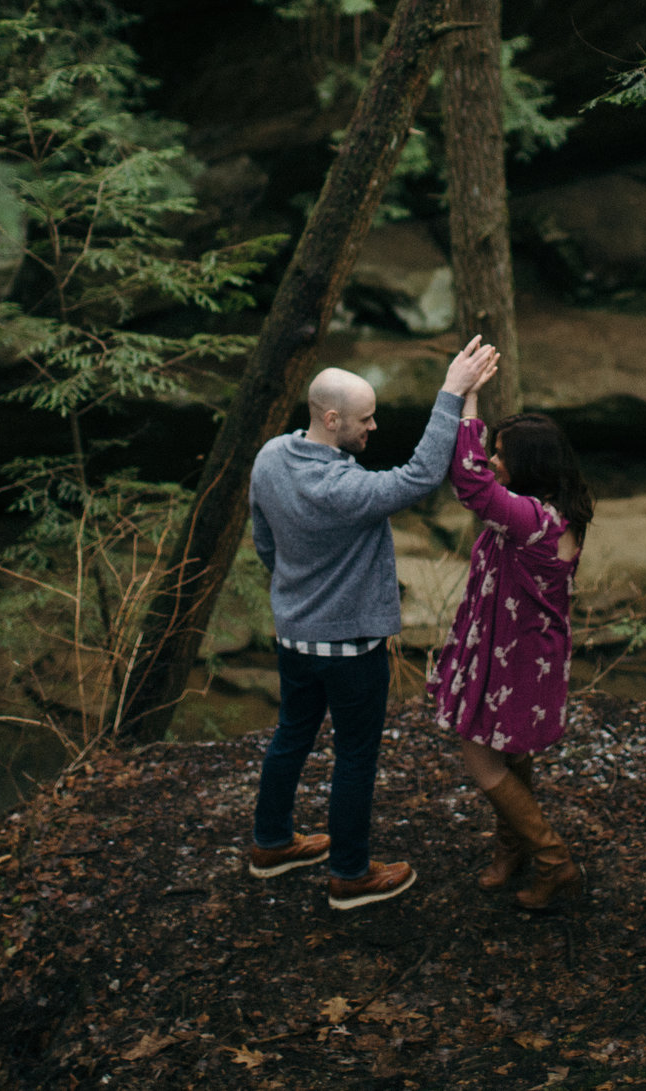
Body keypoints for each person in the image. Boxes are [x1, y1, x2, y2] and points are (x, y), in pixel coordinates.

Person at [245, 336, 501, 911]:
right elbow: (419, 476)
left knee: (292, 735)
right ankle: (350, 875)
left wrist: (296, 592)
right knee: (356, 755)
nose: (373, 428)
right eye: (365, 420)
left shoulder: (270, 458)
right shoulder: (344, 489)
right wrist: (451, 395)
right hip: (350, 649)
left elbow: (266, 543)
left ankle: (271, 844)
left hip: (293, 637)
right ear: (331, 418)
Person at [426, 398, 594, 910]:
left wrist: (467, 403)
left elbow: (471, 484)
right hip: (518, 651)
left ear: (531, 464)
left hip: (518, 658)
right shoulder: (554, 509)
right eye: (494, 451)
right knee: (511, 751)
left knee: (481, 756)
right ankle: (512, 847)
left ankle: (553, 859)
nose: (494, 461)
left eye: (502, 454)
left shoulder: (534, 521)